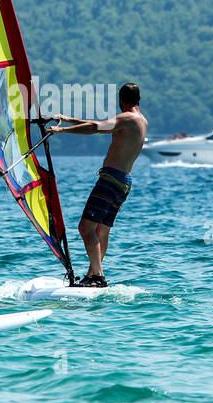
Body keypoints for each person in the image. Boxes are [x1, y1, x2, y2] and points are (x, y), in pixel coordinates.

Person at [47, 82, 147, 286]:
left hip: (110, 180)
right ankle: (93, 275)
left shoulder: (126, 118)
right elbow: (98, 123)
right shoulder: (140, 120)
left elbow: (95, 128)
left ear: (120, 101)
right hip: (124, 182)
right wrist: (68, 119)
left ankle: (98, 277)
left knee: (85, 227)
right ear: (138, 100)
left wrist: (62, 130)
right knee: (102, 230)